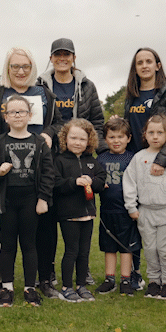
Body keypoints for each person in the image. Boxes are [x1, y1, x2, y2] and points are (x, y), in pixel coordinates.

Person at [0, 47, 62, 300]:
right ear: (8, 68)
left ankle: (42, 280)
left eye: (25, 66)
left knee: (41, 233)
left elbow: (59, 122)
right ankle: (6, 284)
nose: (21, 71)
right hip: (8, 176)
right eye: (15, 66)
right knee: (9, 238)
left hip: (39, 175)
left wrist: (49, 134)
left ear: (32, 68)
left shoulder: (45, 94)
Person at [37, 38, 105, 285]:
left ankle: (81, 269)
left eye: (67, 54)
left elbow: (97, 121)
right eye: (58, 55)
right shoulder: (40, 86)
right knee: (47, 219)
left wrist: (97, 155)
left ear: (74, 58)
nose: (62, 59)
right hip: (49, 157)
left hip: (78, 157)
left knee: (77, 216)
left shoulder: (86, 86)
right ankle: (48, 269)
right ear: (51, 58)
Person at [120, 47, 166, 291]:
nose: (144, 66)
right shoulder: (131, 94)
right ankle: (136, 274)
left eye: (149, 61)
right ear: (135, 68)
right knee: (137, 224)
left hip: (159, 164)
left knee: (160, 235)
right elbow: (127, 128)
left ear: (157, 65)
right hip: (137, 163)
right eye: (140, 62)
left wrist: (162, 160)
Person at [0, 95, 55, 307]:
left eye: (21, 111)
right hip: (6, 201)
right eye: (12, 112)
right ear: (5, 117)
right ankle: (7, 288)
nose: (17, 115)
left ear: (30, 115)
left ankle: (30, 288)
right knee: (8, 245)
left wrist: (43, 198)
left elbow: (48, 173)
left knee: (29, 244)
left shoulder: (39, 143)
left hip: (30, 200)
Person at [123, 114, 166, 300]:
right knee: (150, 249)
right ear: (144, 134)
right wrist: (132, 207)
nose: (155, 136)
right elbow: (129, 183)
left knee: (165, 249)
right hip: (146, 212)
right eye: (151, 132)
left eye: (160, 132)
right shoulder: (139, 158)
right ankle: (154, 282)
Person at [52, 119, 105, 302]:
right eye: (73, 138)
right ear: (65, 139)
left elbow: (101, 180)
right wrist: (74, 182)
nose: (77, 142)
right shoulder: (59, 160)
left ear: (89, 141)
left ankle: (81, 285)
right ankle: (67, 287)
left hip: (88, 214)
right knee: (71, 251)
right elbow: (56, 184)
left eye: (82, 139)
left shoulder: (92, 161)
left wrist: (92, 181)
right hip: (68, 215)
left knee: (84, 252)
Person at [95, 117, 139, 296]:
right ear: (105, 139)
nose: (116, 141)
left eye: (120, 137)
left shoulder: (132, 158)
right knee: (109, 246)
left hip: (126, 211)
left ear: (128, 138)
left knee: (126, 246)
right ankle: (109, 279)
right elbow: (96, 181)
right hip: (107, 210)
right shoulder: (101, 158)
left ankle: (126, 279)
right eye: (112, 137)